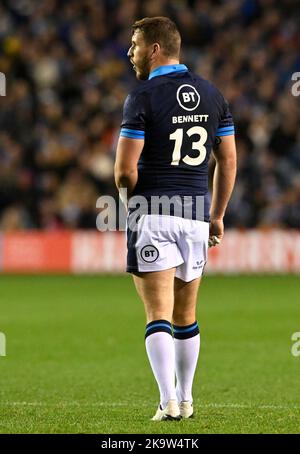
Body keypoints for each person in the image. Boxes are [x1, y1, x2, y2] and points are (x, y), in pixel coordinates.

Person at [114, 16, 236, 421]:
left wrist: (129, 203)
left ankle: (167, 401)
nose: (129, 52)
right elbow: (228, 159)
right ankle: (186, 400)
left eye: (134, 45)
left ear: (154, 49)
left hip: (153, 212)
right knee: (187, 314)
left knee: (158, 314)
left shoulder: (142, 97)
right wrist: (216, 215)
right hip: (196, 216)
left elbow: (123, 172)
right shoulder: (212, 94)